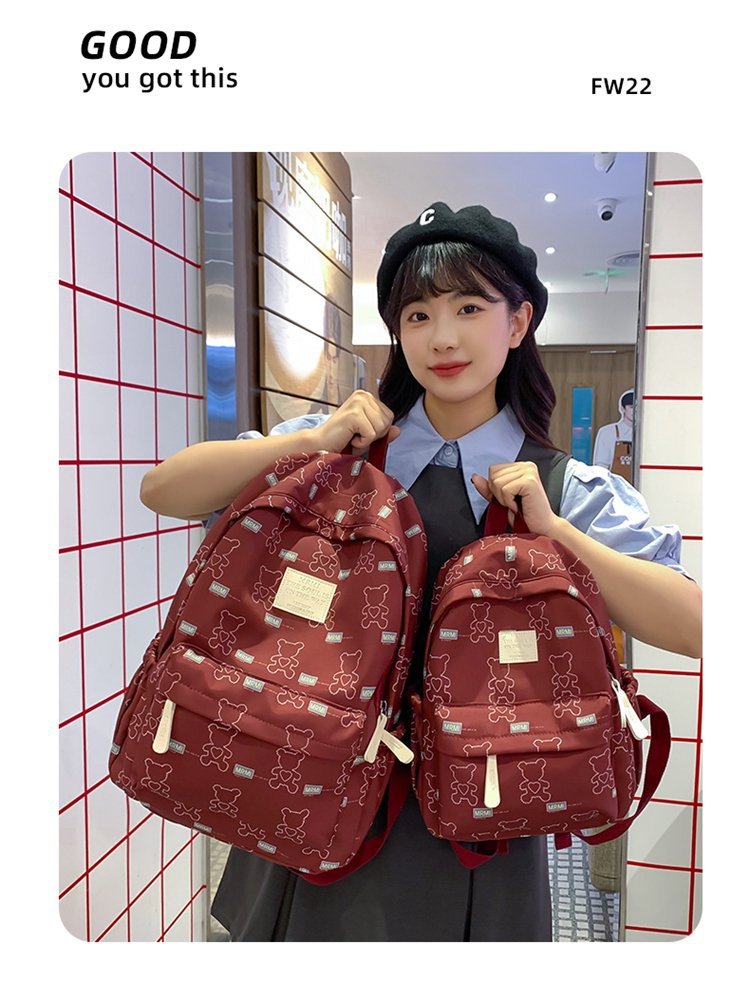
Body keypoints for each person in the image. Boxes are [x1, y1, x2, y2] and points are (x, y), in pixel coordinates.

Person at [140, 201, 702, 942]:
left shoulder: (564, 487)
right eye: (417, 315)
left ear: (518, 322)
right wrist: (308, 441)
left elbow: (694, 626)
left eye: (470, 307)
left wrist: (560, 536)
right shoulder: (336, 454)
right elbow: (164, 490)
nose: (441, 337)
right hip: (305, 791)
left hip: (476, 824)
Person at [593, 389, 634, 477]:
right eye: (631, 407)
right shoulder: (607, 432)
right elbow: (601, 467)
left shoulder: (647, 435)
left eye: (638, 407)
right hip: (614, 484)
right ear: (622, 409)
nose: (635, 410)